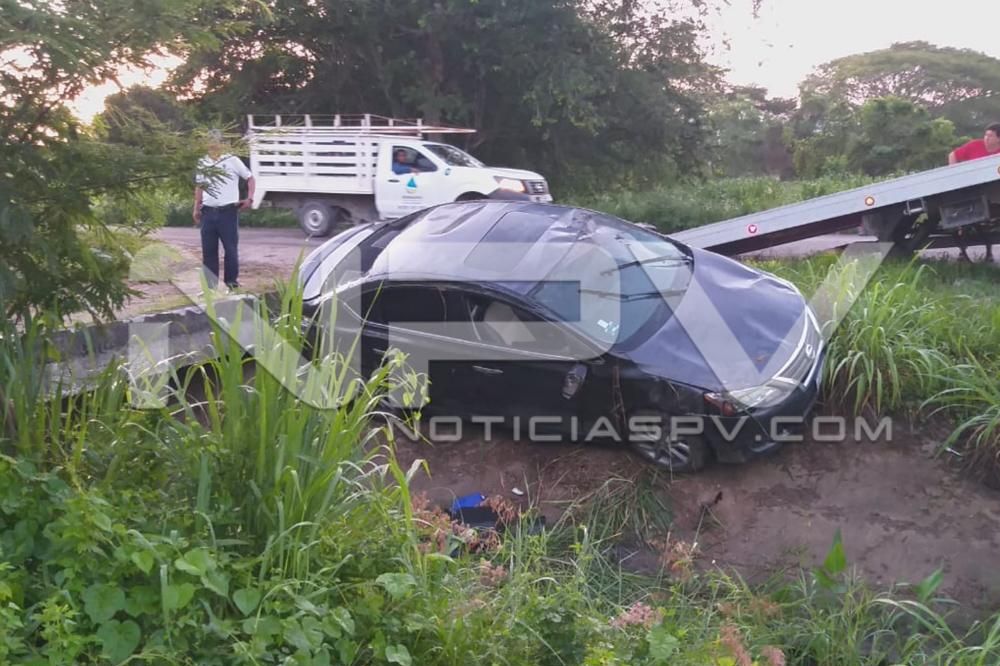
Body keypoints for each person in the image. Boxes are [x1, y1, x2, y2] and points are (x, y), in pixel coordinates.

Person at [193, 130, 255, 291]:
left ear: (222, 143)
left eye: (216, 141)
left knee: (230, 249)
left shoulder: (232, 160)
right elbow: (200, 186)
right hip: (207, 211)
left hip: (227, 211)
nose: (213, 145)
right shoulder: (203, 162)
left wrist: (249, 198)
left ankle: (231, 284)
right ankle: (210, 288)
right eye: (210, 141)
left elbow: (249, 177)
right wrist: (196, 208)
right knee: (209, 251)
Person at [946, 123, 1000, 262]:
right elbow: (953, 155)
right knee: (963, 222)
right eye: (985, 135)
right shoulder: (975, 145)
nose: (986, 138)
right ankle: (963, 252)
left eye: (990, 136)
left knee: (987, 224)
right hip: (969, 190)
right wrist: (954, 174)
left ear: (998, 138)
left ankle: (989, 253)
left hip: (992, 192)